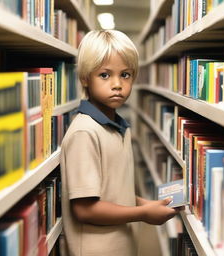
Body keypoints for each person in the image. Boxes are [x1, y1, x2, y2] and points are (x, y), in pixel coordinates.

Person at [60, 30, 182, 256]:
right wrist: (142, 214)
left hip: (121, 245)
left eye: (125, 75)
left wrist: (144, 204)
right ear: (85, 77)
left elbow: (112, 192)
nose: (117, 84)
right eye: (105, 75)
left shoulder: (118, 126)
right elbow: (85, 209)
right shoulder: (85, 132)